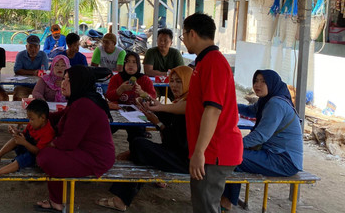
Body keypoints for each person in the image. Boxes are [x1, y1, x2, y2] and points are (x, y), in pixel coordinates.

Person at [96, 65, 193, 211]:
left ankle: (121, 198)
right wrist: (150, 107)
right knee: (139, 149)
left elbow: (177, 143)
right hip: (177, 154)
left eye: (179, 81)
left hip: (184, 160)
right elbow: (166, 116)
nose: (173, 85)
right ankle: (121, 199)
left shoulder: (189, 106)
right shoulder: (180, 102)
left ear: (189, 81)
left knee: (139, 146)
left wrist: (158, 123)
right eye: (172, 80)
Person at [181, 13, 243, 213]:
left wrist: (199, 152)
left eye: (183, 34)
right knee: (202, 203)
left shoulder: (213, 63)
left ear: (192, 34)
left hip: (214, 151)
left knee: (206, 206)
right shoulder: (203, 62)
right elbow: (195, 106)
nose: (182, 39)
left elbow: (213, 110)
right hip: (208, 150)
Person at [35, 65, 116, 212]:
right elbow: (62, 117)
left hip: (96, 158)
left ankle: (56, 202)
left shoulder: (83, 104)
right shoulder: (81, 99)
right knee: (48, 152)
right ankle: (56, 200)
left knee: (46, 156)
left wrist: (48, 143)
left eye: (69, 80)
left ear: (80, 82)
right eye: (64, 79)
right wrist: (40, 119)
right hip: (86, 151)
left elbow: (67, 143)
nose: (63, 83)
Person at [220, 70, 303, 211]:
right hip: (273, 154)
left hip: (284, 160)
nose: (258, 85)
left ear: (272, 83)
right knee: (232, 154)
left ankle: (227, 202)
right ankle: (226, 199)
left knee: (233, 156)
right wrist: (225, 105)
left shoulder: (276, 104)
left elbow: (260, 136)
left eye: (263, 81)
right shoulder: (268, 100)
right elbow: (249, 110)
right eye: (256, 80)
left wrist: (235, 145)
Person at [0, 99, 55, 182]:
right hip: (26, 148)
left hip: (36, 157)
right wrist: (17, 132)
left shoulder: (48, 132)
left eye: (32, 119)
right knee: (15, 139)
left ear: (43, 117)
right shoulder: (33, 125)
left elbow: (38, 152)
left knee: (24, 158)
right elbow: (24, 135)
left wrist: (24, 143)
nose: (30, 122)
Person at [13, 35, 49, 101]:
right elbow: (17, 70)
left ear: (39, 47)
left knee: (43, 101)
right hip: (22, 85)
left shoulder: (43, 55)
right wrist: (34, 72)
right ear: (26, 47)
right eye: (30, 47)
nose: (33, 50)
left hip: (39, 85)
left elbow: (44, 71)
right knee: (18, 97)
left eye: (36, 46)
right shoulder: (20, 55)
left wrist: (24, 71)